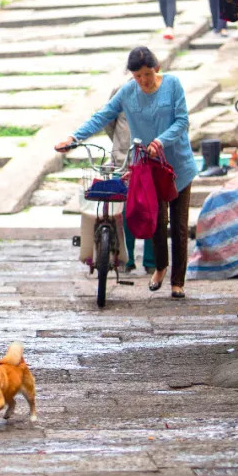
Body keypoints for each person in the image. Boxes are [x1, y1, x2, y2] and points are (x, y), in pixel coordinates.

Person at [56, 46, 196, 299]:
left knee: (179, 226)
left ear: (157, 69)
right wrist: (73, 137)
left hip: (178, 165)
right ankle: (161, 267)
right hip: (150, 167)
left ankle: (178, 282)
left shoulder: (173, 85)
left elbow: (182, 121)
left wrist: (161, 141)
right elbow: (102, 116)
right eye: (137, 76)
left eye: (147, 75)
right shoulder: (128, 92)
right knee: (156, 221)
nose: (143, 81)